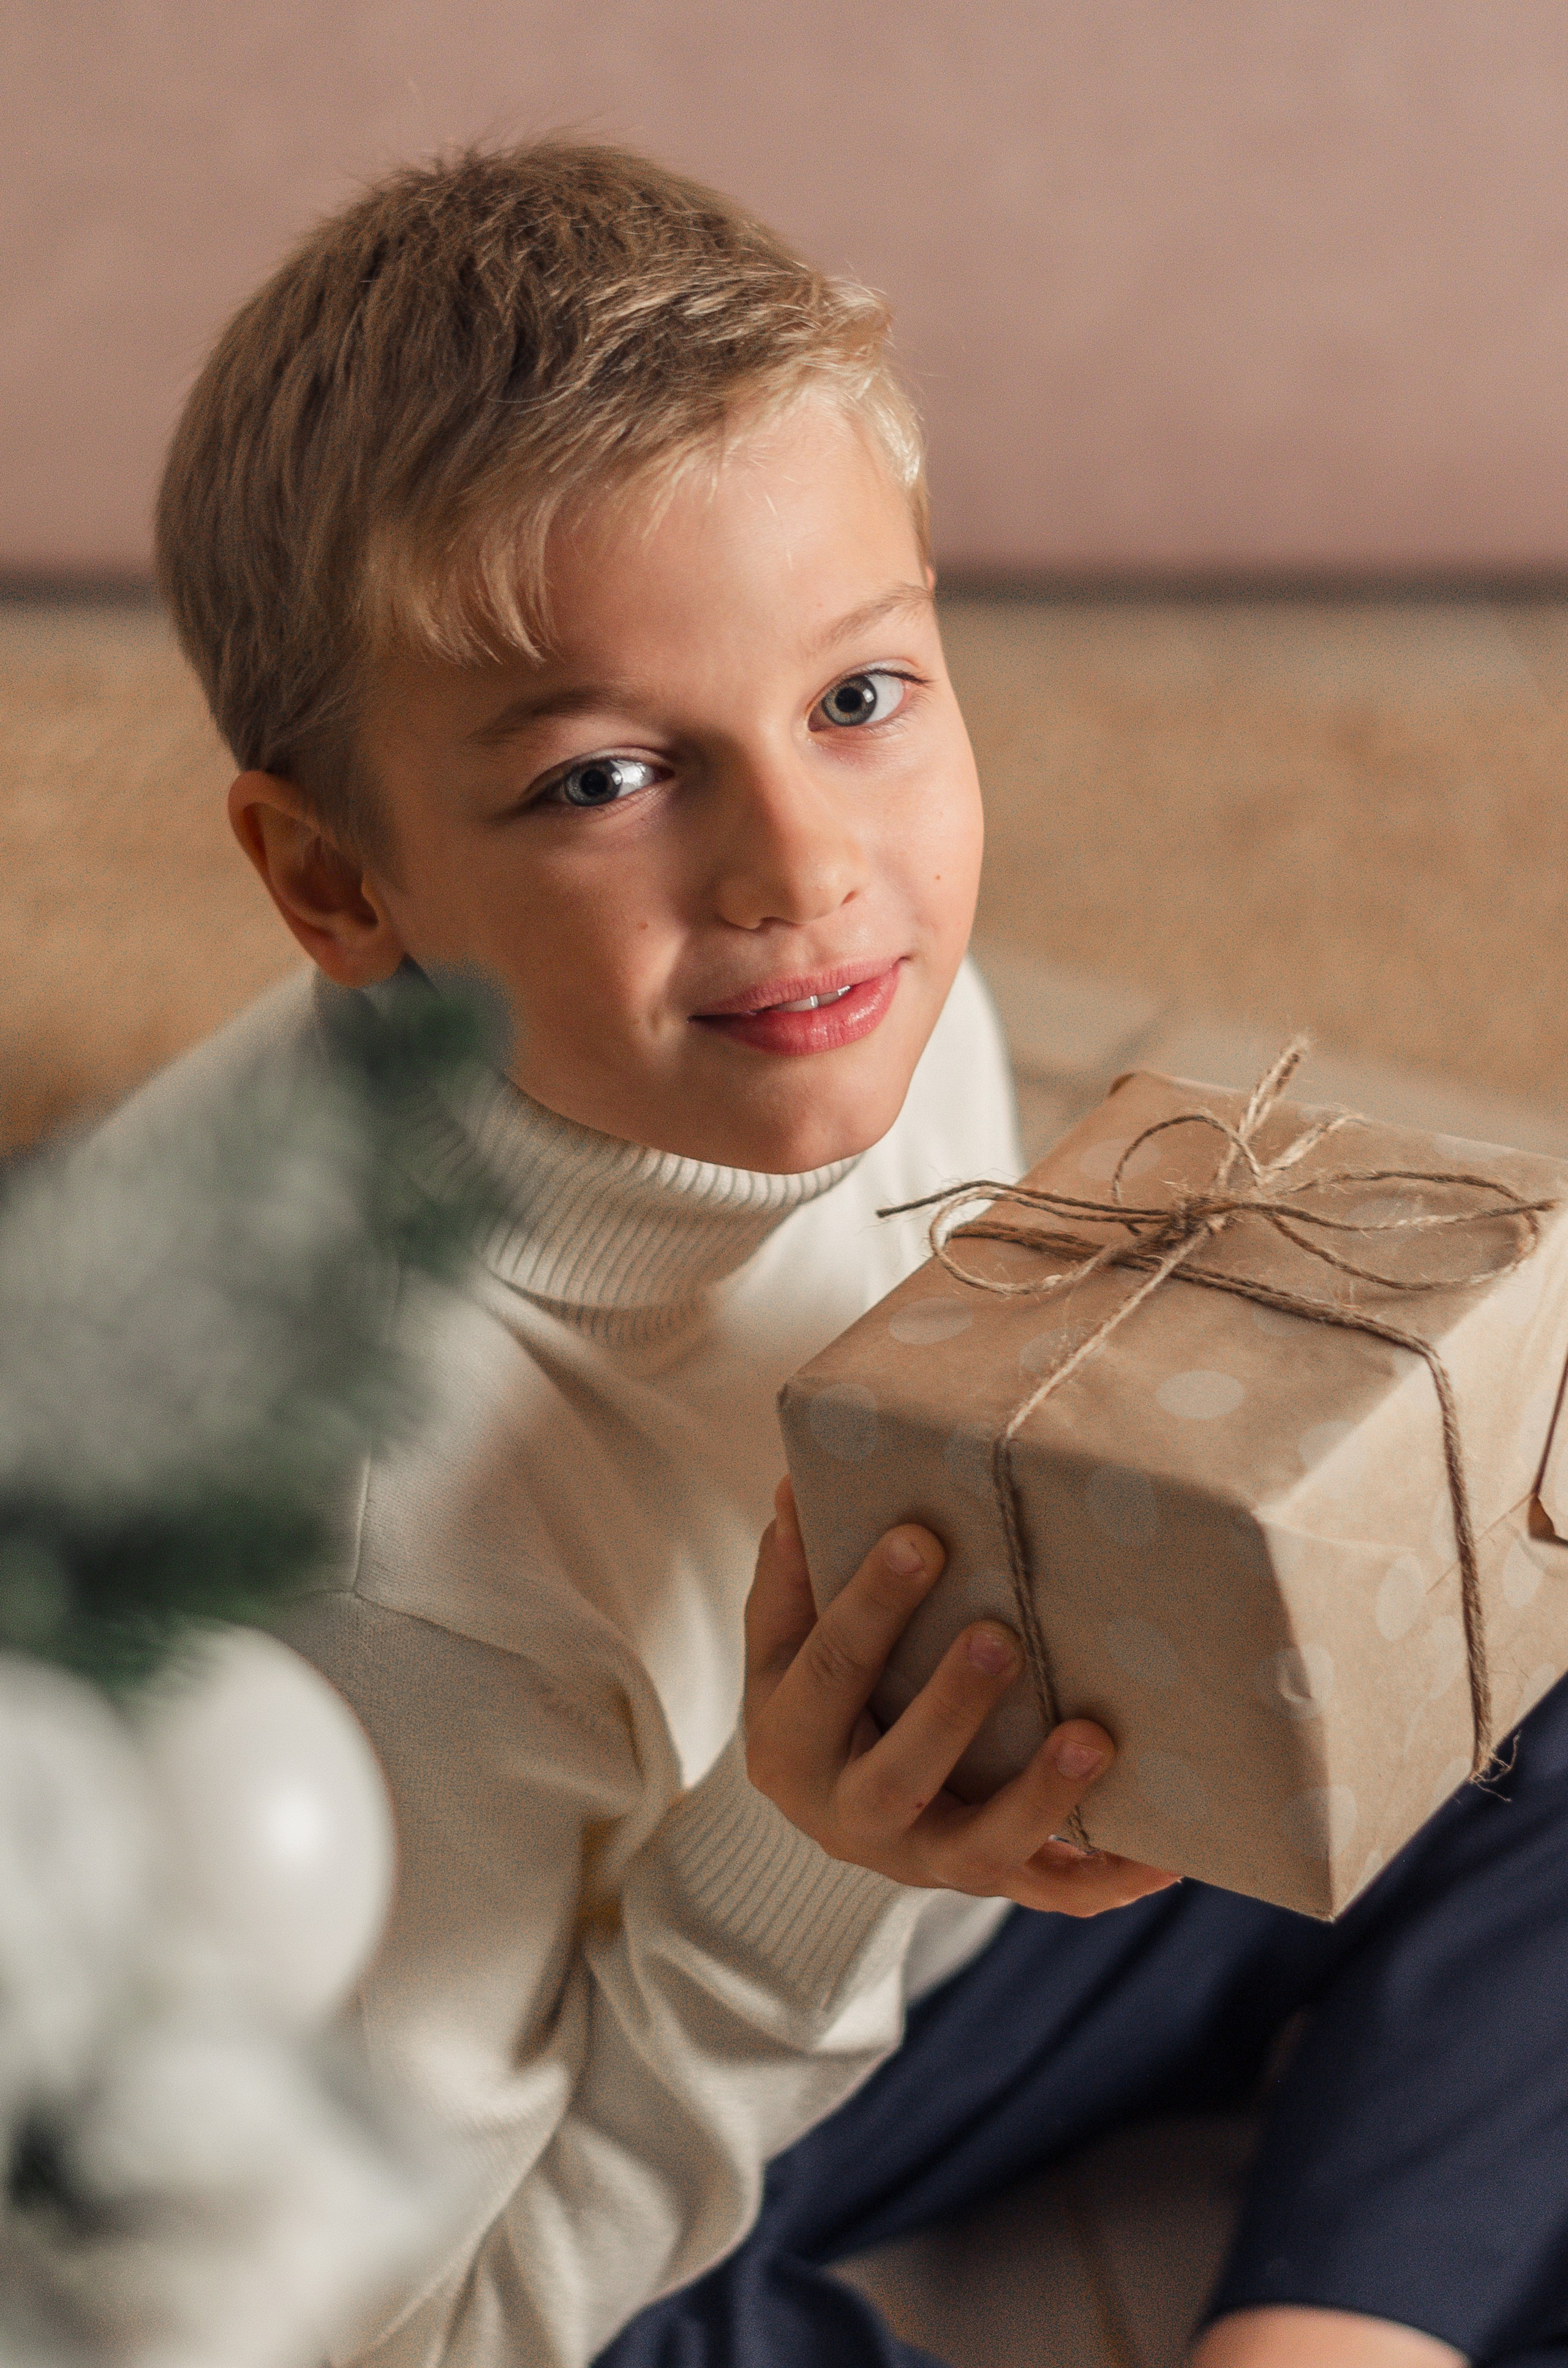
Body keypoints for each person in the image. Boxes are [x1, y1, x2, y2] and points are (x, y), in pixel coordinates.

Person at [138, 141, 1568, 2368]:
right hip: (542, 2166)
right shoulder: (364, 1566)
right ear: (337, 887)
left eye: (861, 697)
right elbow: (408, 2324)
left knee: (1527, 1624)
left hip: (891, 1927)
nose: (808, 869)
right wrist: (798, 1871)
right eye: (609, 780)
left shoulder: (829, 1000)